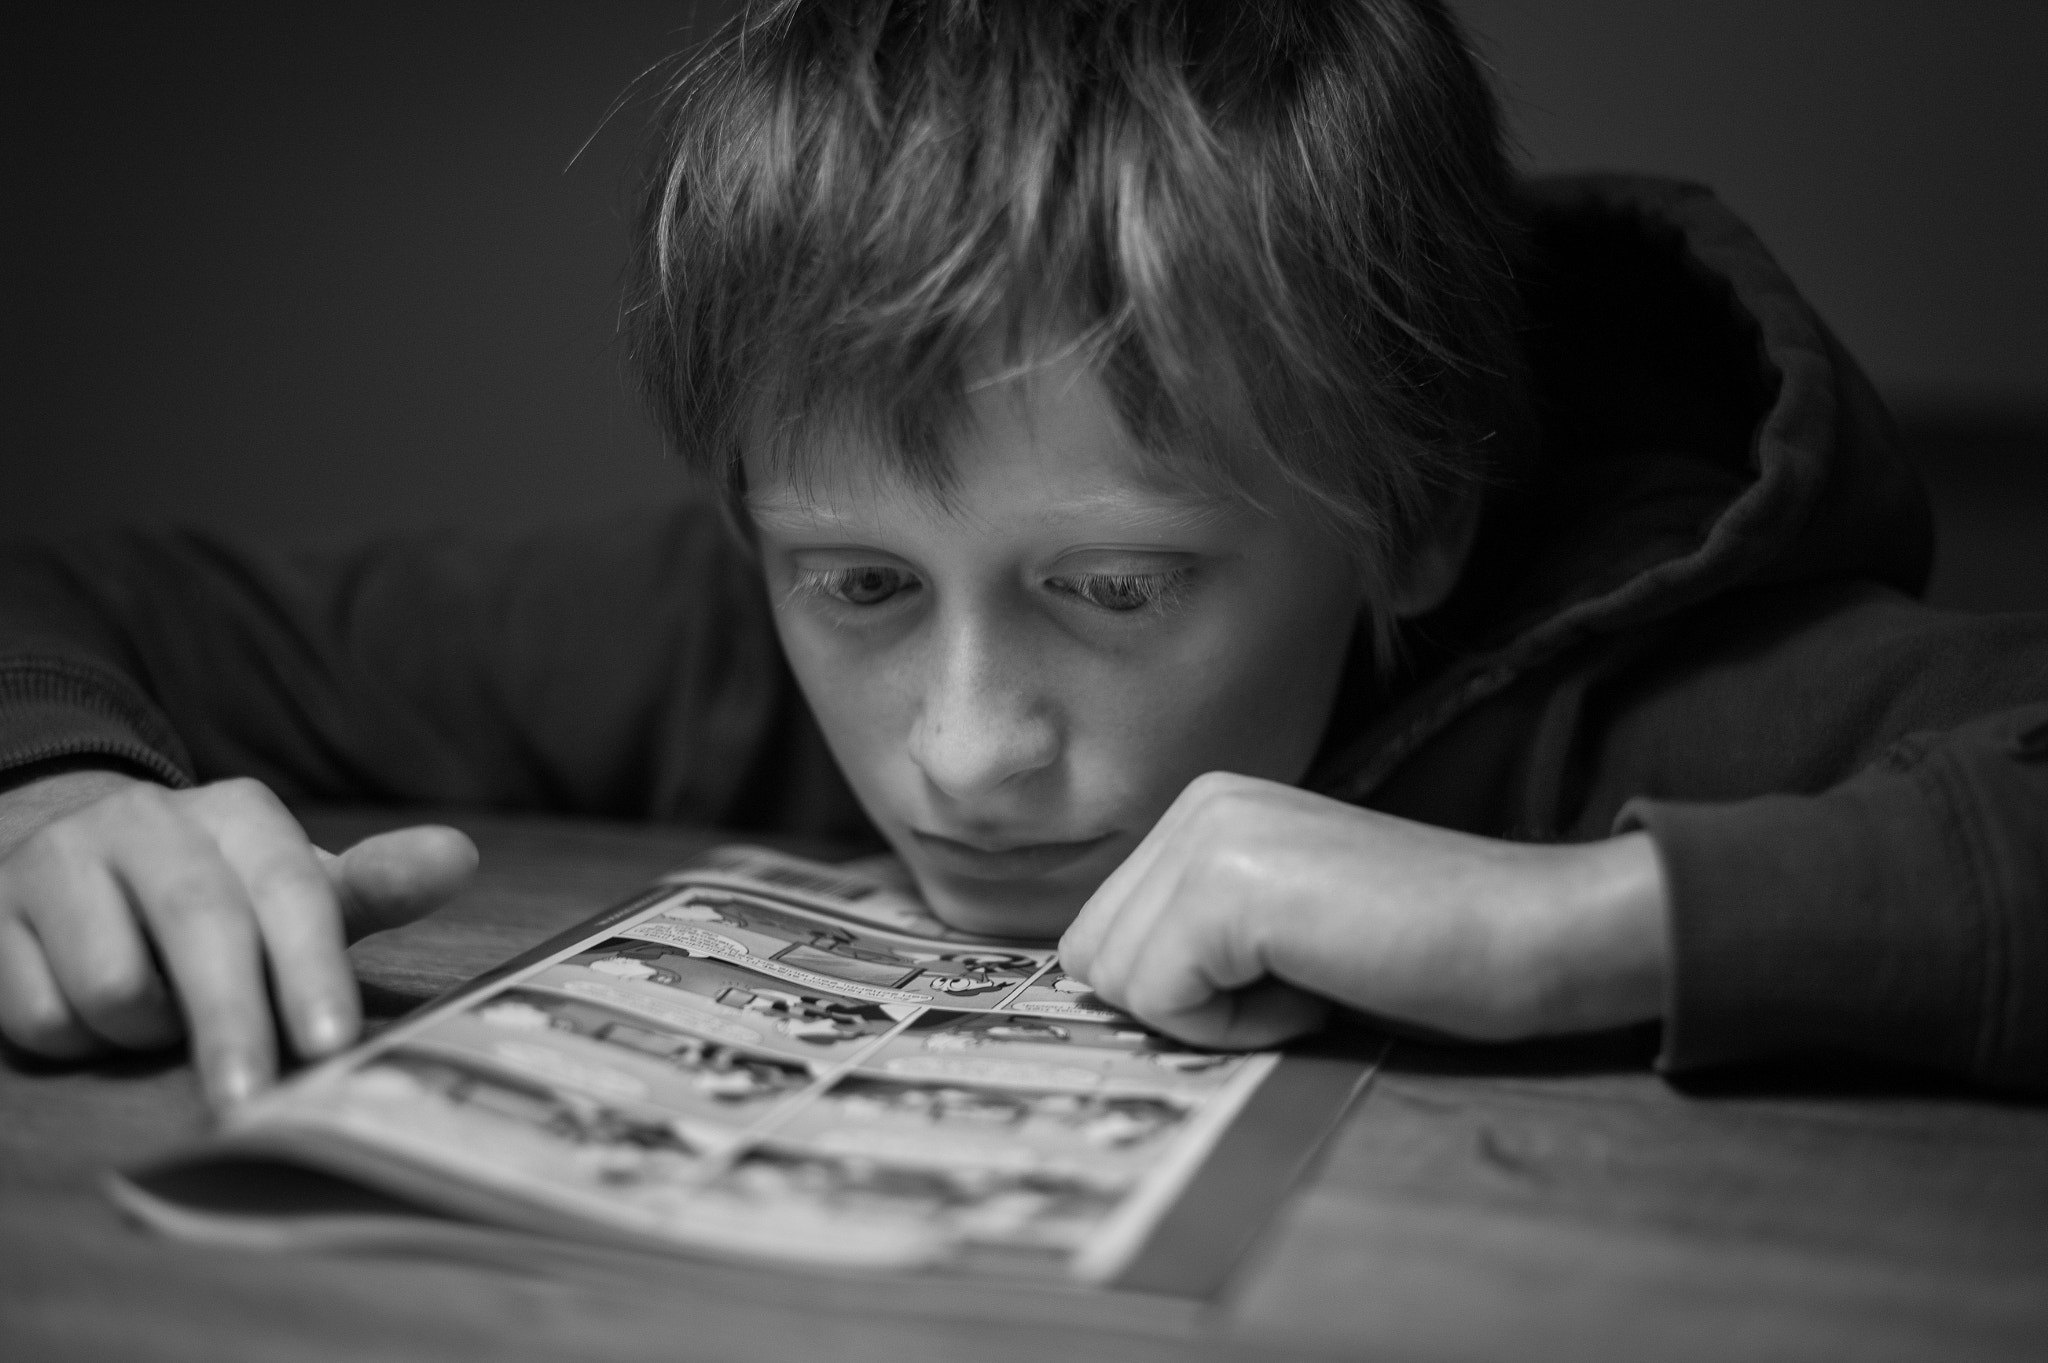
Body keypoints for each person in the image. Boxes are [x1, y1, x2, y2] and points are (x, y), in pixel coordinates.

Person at [1, 0, 2043, 1110]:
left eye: (1117, 586)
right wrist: (63, 790)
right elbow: (83, 599)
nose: (962, 751)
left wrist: (1570, 926)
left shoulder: (1666, 698)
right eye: (858, 586)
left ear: (1411, 520)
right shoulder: (703, 633)